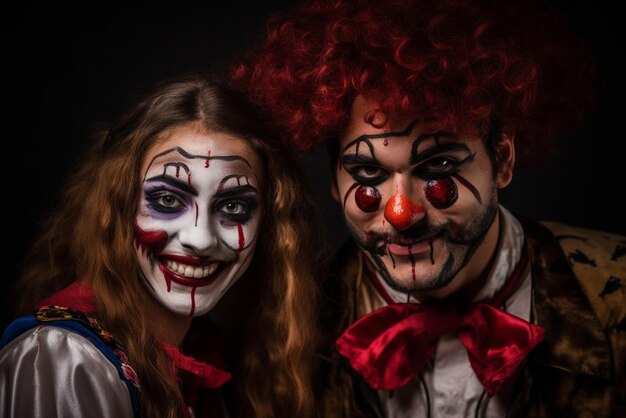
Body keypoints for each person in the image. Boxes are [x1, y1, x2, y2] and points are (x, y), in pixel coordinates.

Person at [230, 0, 626, 417]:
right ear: (333, 179)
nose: (402, 213)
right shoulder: (284, 324)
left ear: (503, 159)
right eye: (368, 172)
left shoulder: (617, 296)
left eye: (438, 167)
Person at [0, 74, 322, 418]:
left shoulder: (210, 353)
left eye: (233, 207)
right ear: (118, 204)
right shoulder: (64, 362)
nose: (200, 239)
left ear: (268, 224)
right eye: (167, 199)